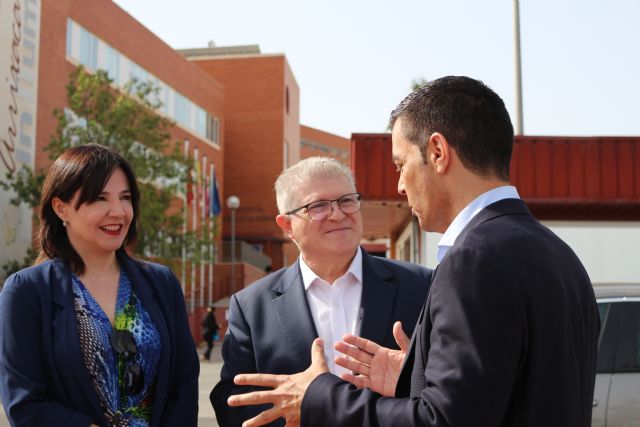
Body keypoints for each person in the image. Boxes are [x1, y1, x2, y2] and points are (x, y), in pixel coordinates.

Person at [225, 76, 600, 427]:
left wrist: (319, 395)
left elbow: (443, 421)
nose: (400, 185)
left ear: (437, 152)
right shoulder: (559, 254)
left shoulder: (471, 261)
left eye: (401, 164)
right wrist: (415, 379)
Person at [210, 156, 432, 426]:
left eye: (346, 201)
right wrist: (297, 410)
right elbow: (231, 400)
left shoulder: (421, 286)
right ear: (287, 226)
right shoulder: (251, 306)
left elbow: (452, 392)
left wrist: (411, 380)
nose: (338, 214)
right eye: (318, 206)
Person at [0, 144, 199, 426]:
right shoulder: (27, 291)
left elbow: (184, 383)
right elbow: (24, 403)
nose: (118, 211)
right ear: (61, 208)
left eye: (125, 198)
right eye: (99, 199)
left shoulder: (161, 282)